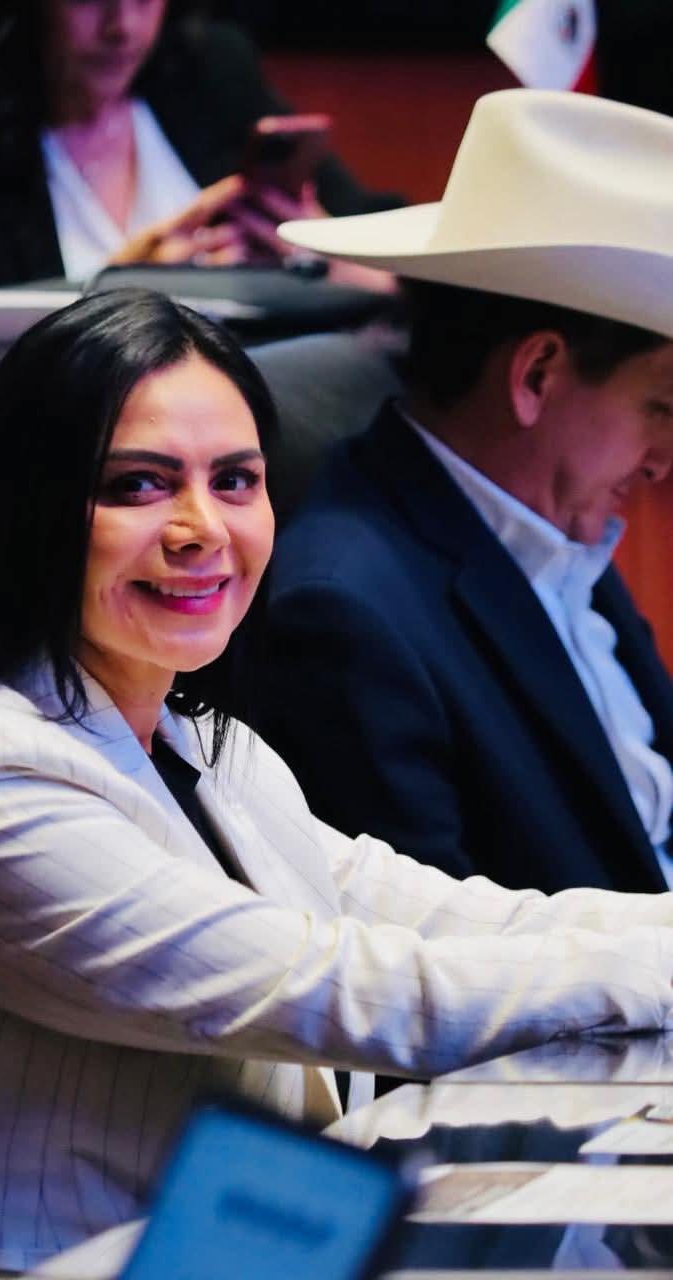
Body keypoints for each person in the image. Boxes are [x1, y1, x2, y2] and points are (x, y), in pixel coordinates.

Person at [0, 286, 673, 1269]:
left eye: (235, 480)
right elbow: (350, 989)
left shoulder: (201, 738)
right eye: (139, 485)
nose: (203, 528)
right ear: (33, 511)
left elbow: (447, 914)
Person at [254, 87, 673, 895]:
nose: (663, 462)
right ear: (537, 374)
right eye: (662, 408)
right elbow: (435, 954)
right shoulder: (345, 619)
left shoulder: (552, 526)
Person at [0, 0, 401, 287]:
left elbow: (382, 239)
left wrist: (318, 252)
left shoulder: (210, 70)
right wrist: (120, 288)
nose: (122, 27)